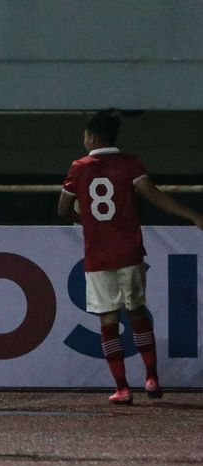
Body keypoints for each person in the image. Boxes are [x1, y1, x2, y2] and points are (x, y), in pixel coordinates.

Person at [58, 110, 203, 404]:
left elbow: (61, 210)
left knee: (108, 320)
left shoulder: (78, 168)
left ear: (93, 136)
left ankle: (122, 388)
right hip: (129, 252)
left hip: (98, 256)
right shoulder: (130, 163)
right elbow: (155, 195)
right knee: (137, 312)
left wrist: (87, 221)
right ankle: (152, 378)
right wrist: (193, 215)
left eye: (85, 134)